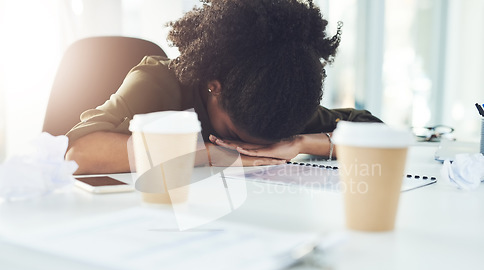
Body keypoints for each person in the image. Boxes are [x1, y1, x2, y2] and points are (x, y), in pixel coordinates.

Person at [65, 0, 382, 175]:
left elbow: (379, 136)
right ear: (213, 86)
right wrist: (211, 154)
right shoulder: (159, 82)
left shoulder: (280, 103)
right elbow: (78, 153)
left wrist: (300, 143)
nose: (248, 147)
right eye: (237, 132)